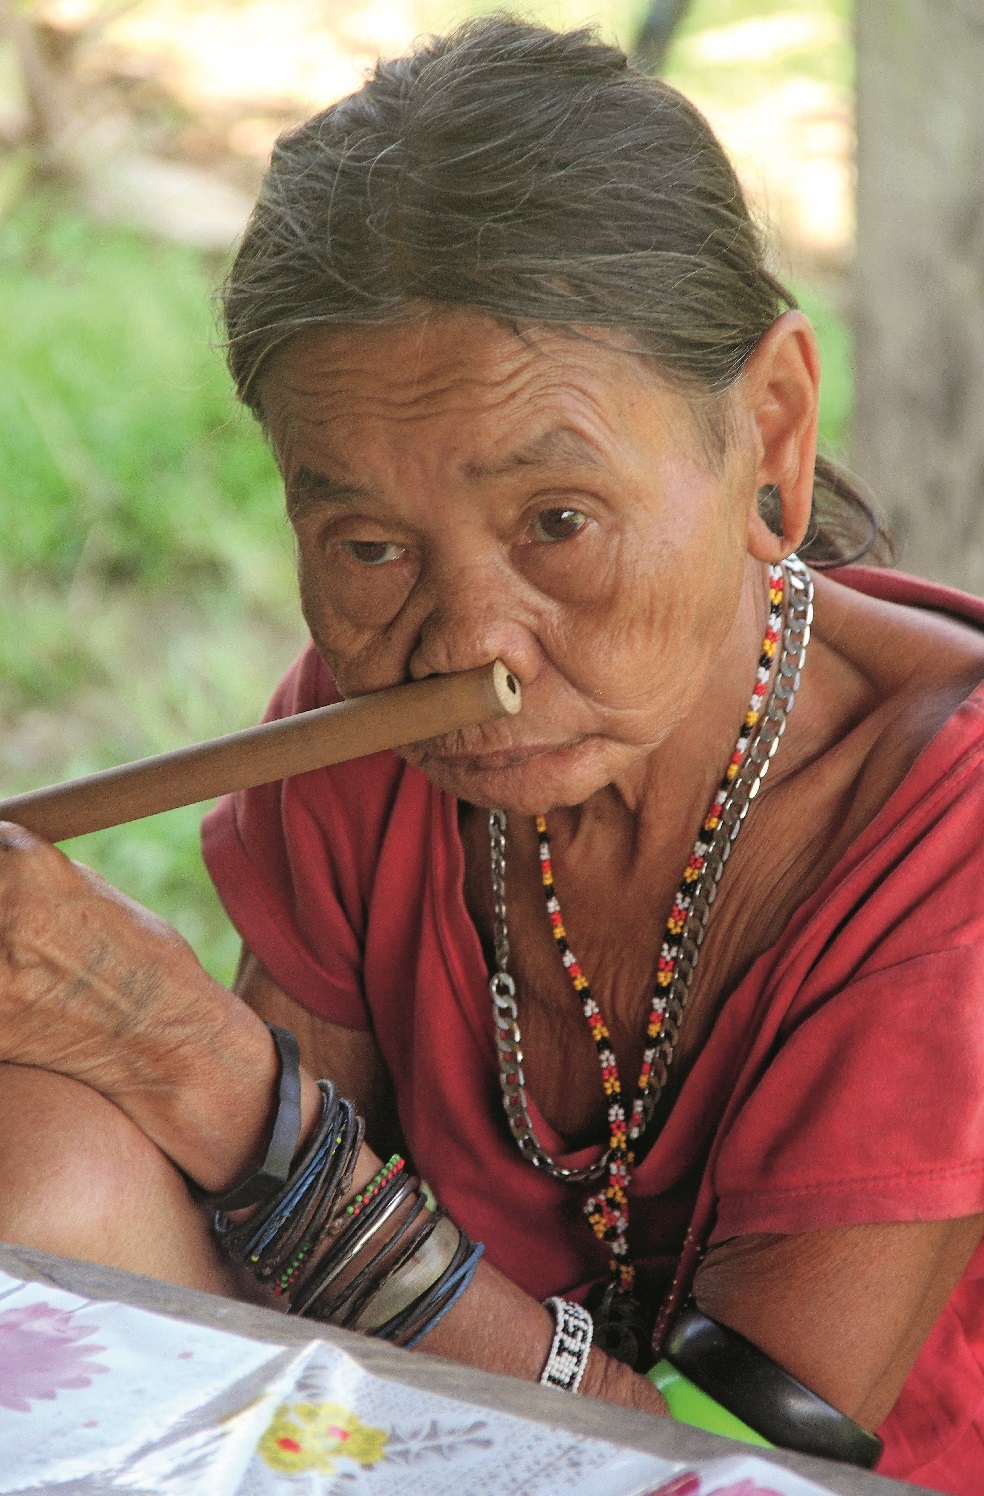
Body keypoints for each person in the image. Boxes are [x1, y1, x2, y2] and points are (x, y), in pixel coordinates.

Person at [1, 16, 984, 1490]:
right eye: (370, 544)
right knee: (44, 1135)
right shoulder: (352, 736)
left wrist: (200, 1071)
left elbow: (720, 1467)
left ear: (769, 428)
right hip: (423, 1442)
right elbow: (254, 1266)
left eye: (559, 521)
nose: (469, 647)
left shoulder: (943, 822)